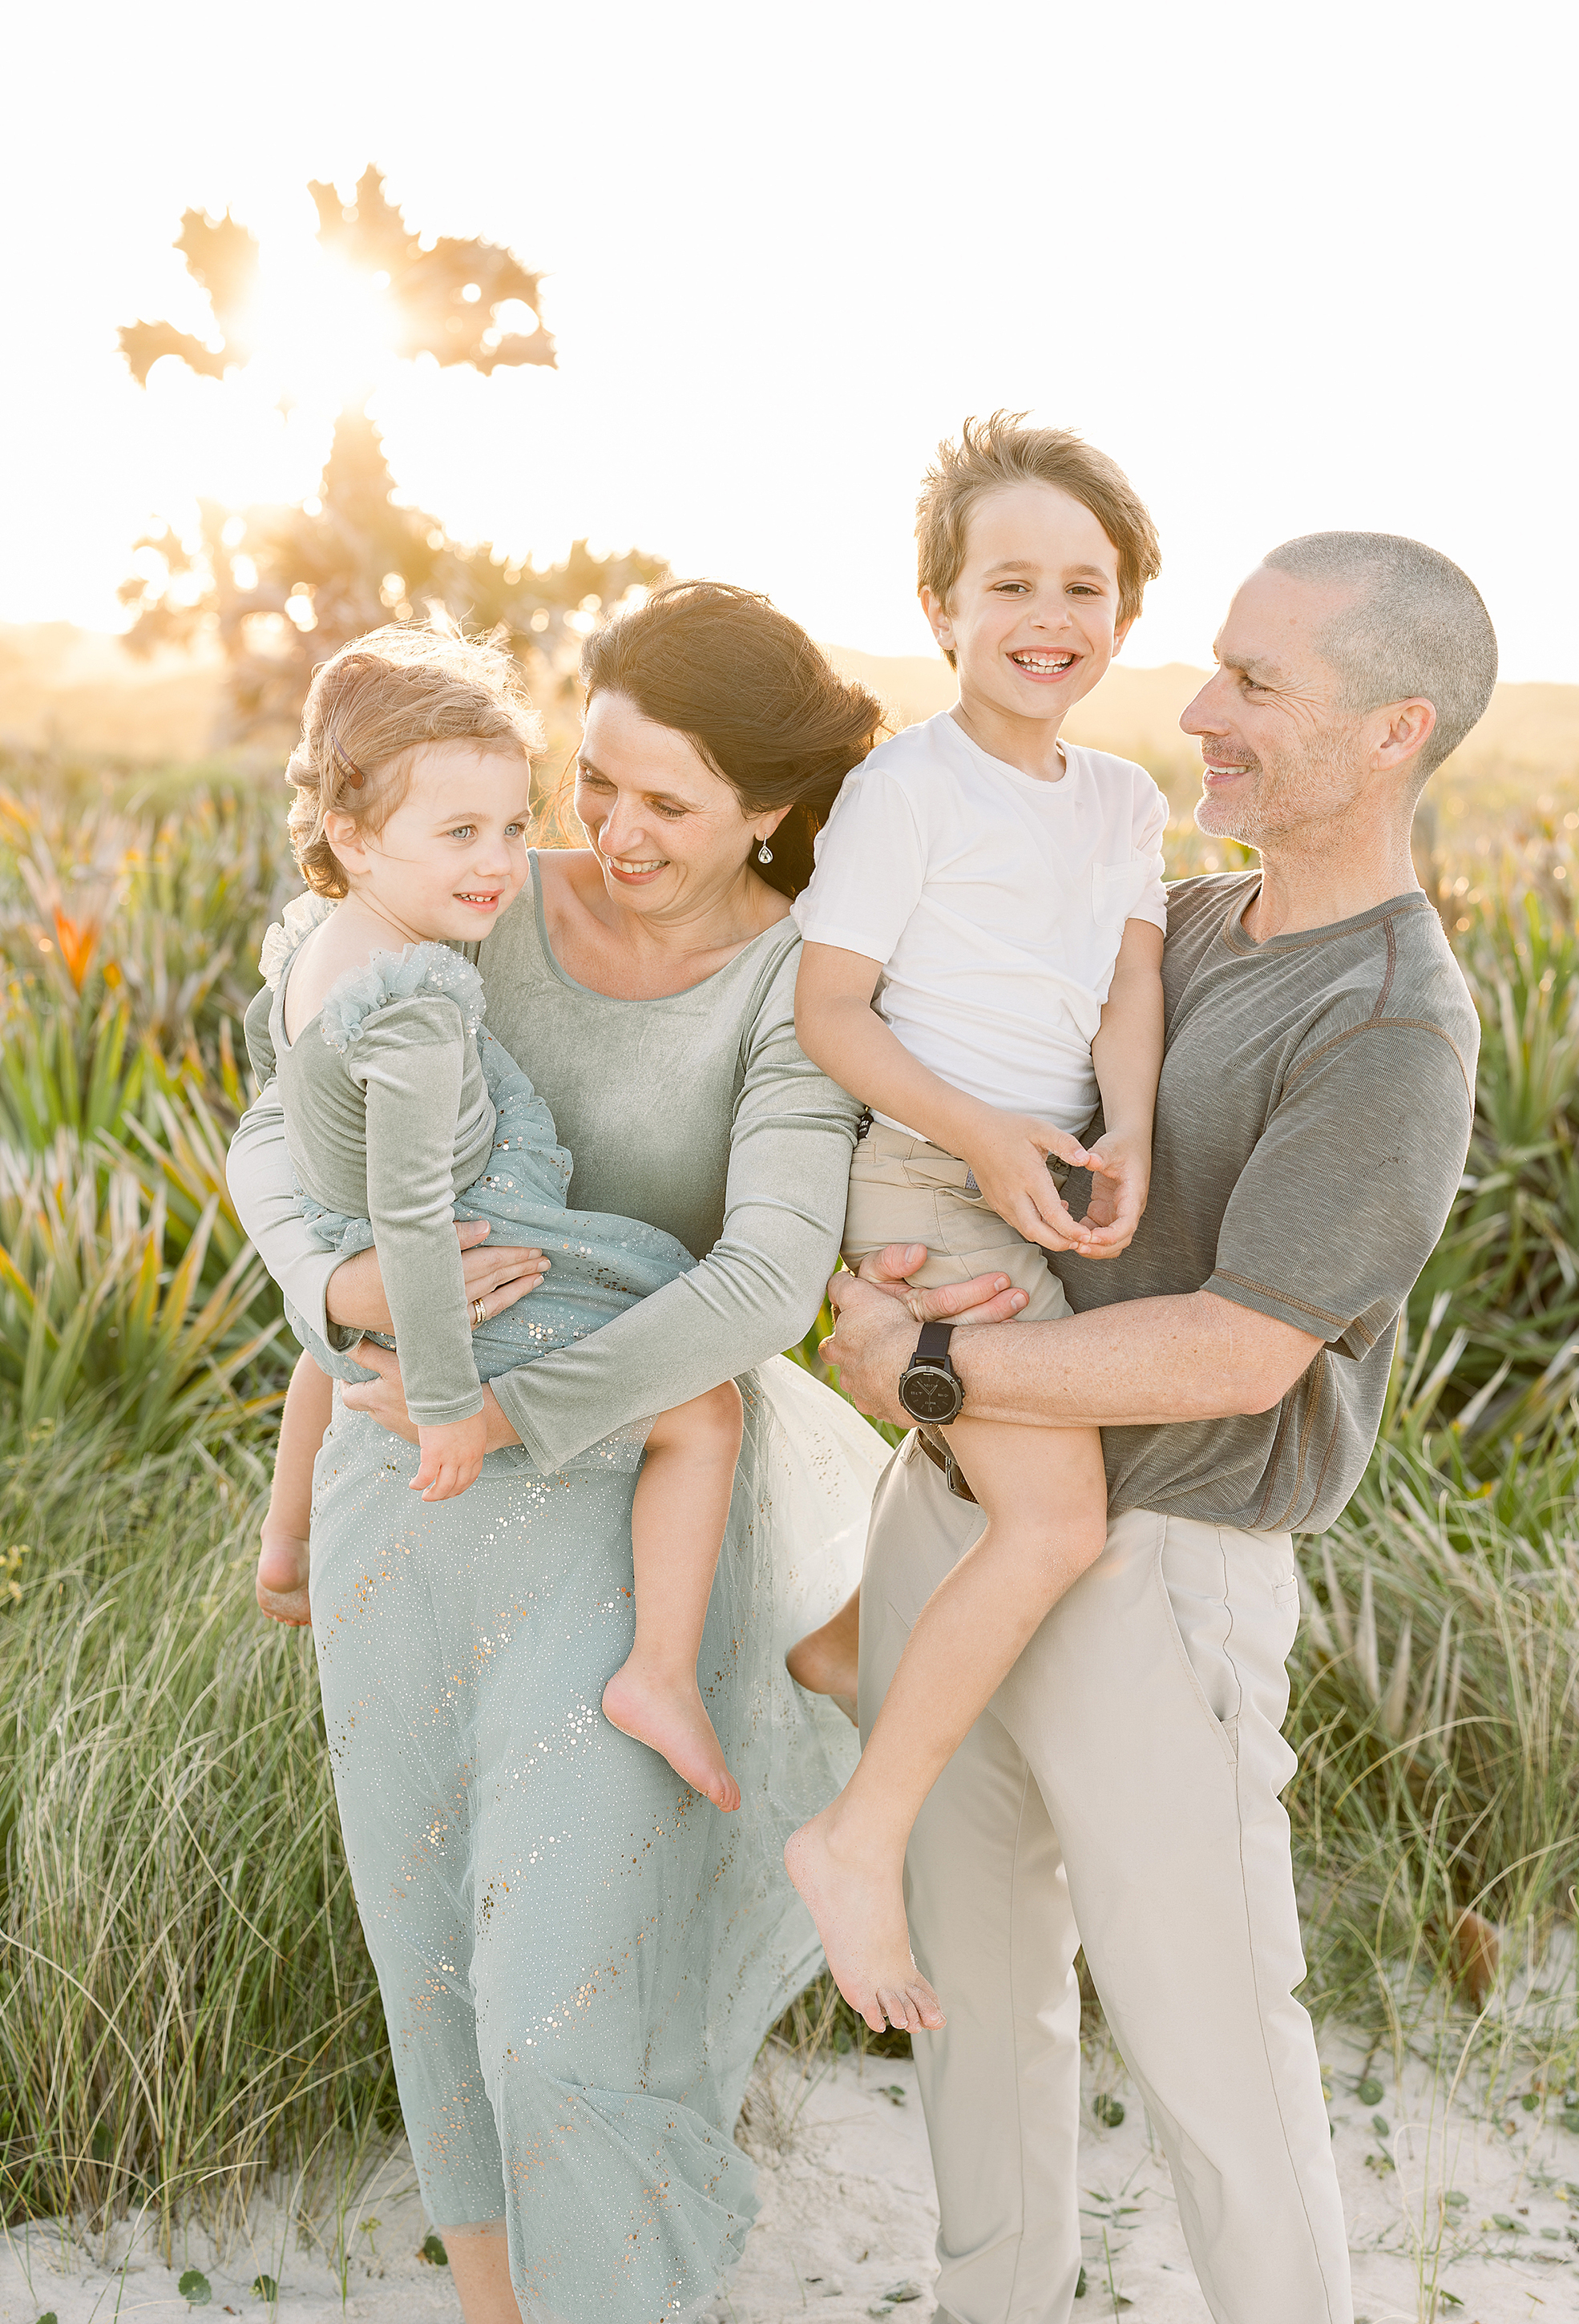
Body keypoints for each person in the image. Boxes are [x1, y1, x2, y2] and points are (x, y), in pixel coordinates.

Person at [820, 531, 1495, 2324]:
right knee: (969, 2025)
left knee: (1215, 2058)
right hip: (956, 1532)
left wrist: (933, 1375)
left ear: (1391, 732)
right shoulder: (1174, 925)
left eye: (1258, 686)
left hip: (1159, 1574)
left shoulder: (1390, 1026)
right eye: (1213, 666)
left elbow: (1239, 1354)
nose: (1199, 711)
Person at [225, 583, 893, 2324]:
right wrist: (330, 1287)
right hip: (406, 1483)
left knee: (560, 1975)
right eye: (592, 780)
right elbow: (273, 1134)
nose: (604, 832)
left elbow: (762, 1278)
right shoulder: (469, 889)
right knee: (428, 1939)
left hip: (620, 1501)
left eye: (661, 801)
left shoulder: (792, 980)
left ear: (765, 807)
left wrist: (519, 1406)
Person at [782, 417, 1168, 2033]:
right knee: (1053, 1522)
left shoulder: (1126, 795)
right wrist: (986, 1135)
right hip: (936, 1178)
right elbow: (832, 1014)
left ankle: (842, 1646)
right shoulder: (905, 789)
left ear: (1126, 614)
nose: (1048, 612)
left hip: (1049, 1169)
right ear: (940, 604)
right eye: (1009, 578)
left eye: (1083, 583)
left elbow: (1130, 977)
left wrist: (1123, 1122)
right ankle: (856, 1837)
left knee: (1020, 1503)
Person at [249, 626, 749, 1809]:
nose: (500, 864)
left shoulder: (333, 943)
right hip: (469, 1276)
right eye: (461, 833)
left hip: (351, 1256)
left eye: (517, 826)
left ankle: (286, 1540)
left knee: (332, 1332)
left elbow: (344, 1196)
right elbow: (421, 1221)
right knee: (707, 1412)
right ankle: (662, 1675)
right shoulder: (415, 1004)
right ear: (353, 835)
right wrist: (447, 1411)